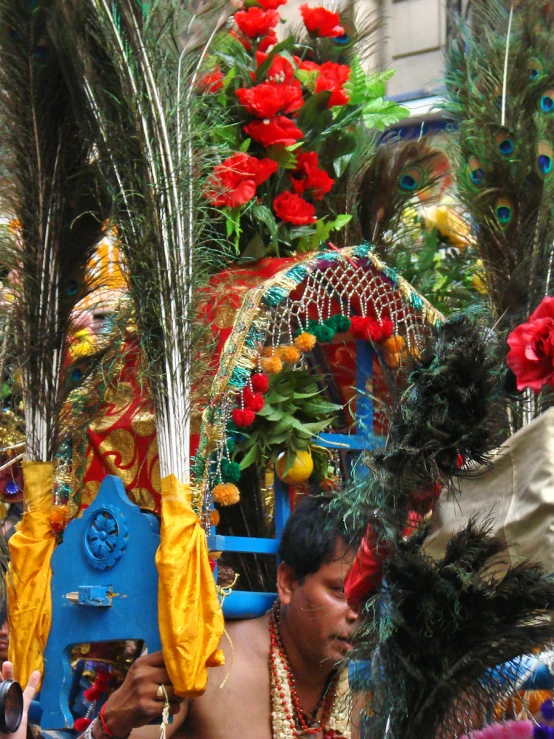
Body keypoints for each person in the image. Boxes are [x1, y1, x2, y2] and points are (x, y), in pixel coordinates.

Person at [84, 496, 360, 739]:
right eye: (342, 591)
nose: (359, 613)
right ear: (288, 582)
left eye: (372, 597)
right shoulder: (207, 663)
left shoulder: (372, 692)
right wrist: (109, 726)